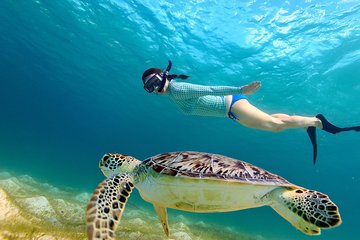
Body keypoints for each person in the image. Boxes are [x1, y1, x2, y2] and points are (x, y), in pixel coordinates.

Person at [142, 61, 360, 164]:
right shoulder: (173, 94)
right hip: (231, 110)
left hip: (231, 105)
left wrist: (241, 89)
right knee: (273, 120)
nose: (153, 88)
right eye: (148, 87)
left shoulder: (177, 89)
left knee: (274, 127)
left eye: (153, 82)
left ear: (163, 76)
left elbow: (208, 89)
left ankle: (318, 122)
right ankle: (309, 123)